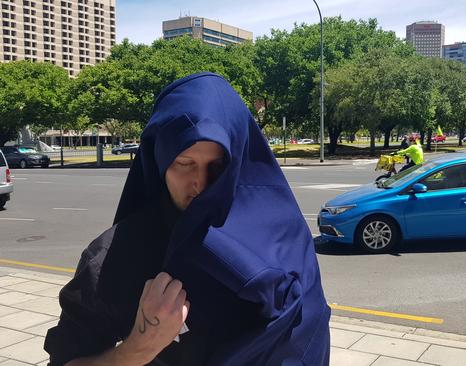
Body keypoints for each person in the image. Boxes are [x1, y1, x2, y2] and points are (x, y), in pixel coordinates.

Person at [44, 72, 331, 366]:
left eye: (218, 165)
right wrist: (137, 348)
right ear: (159, 161)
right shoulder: (116, 256)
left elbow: (312, 326)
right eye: (184, 164)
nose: (200, 183)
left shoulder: (284, 234)